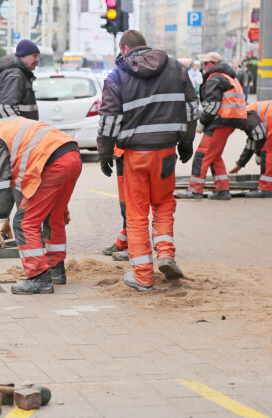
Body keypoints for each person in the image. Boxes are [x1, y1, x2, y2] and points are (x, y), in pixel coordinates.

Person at [97, 30, 199, 292]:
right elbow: (192, 107)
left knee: (137, 213)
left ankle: (142, 276)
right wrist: (186, 142)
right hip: (166, 151)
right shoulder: (176, 67)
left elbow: (109, 121)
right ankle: (166, 254)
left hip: (135, 155)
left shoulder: (117, 76)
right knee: (164, 204)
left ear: (124, 49)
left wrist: (105, 154)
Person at [0, 117, 81, 295]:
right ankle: (56, 270)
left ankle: (39, 278)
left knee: (24, 223)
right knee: (53, 216)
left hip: (52, 164)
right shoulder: (13, 125)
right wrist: (61, 204)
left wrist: (3, 219)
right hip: (72, 155)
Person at [0, 39, 40, 241]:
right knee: (16, 183)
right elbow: (7, 109)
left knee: (1, 184)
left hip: (7, 138)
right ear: (23, 56)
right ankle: (18, 233)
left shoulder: (15, 73)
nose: (36, 60)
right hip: (12, 141)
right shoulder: (16, 75)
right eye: (34, 56)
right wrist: (23, 135)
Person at [176, 51, 247, 200]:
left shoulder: (215, 78)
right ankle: (223, 190)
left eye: (207, 63)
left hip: (219, 121)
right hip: (230, 121)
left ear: (215, 64)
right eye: (202, 63)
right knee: (215, 156)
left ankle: (195, 190)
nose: (204, 66)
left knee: (202, 155)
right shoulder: (229, 77)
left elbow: (213, 105)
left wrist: (202, 122)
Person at [229, 101, 272, 197]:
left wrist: (258, 153)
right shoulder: (252, 109)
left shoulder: (245, 113)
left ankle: (265, 188)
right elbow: (253, 140)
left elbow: (259, 134)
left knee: (268, 151)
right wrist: (239, 165)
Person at [101, 146, 128, 261]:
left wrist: (104, 157)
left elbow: (107, 130)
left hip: (130, 153)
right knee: (161, 207)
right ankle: (165, 254)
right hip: (162, 150)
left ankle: (134, 248)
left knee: (130, 207)